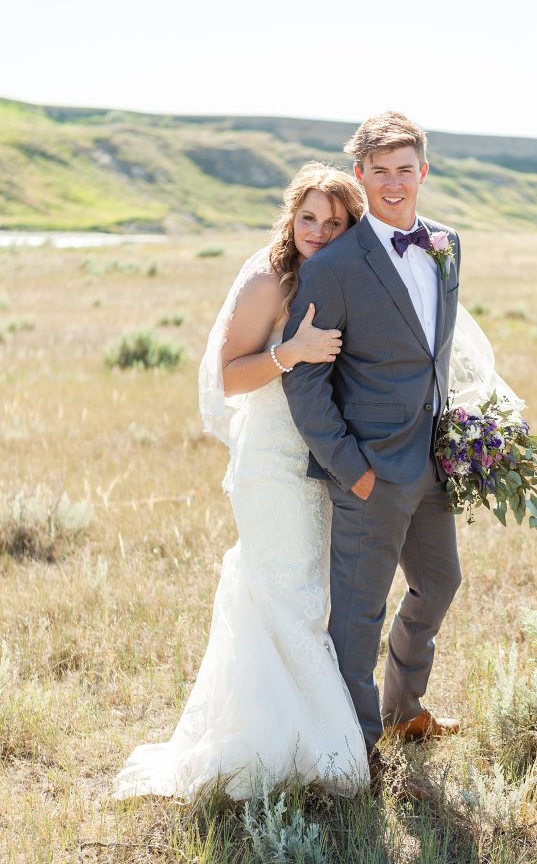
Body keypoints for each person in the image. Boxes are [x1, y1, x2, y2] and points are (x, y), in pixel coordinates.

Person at [112, 163, 371, 802]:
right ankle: (319, 755)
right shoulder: (269, 279)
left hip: (315, 462)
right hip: (269, 465)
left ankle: (288, 734)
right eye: (307, 217)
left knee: (300, 597)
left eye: (333, 222)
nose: (317, 230)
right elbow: (227, 377)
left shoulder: (333, 274)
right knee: (291, 600)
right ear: (291, 215)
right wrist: (293, 352)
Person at [282, 112, 469, 789]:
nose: (394, 183)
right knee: (356, 618)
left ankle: (403, 711)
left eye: (405, 168)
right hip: (366, 471)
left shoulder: (446, 244)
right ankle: (354, 751)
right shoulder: (333, 266)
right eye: (380, 171)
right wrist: (350, 468)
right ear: (361, 176)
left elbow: (434, 353)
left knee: (439, 583)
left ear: (424, 170)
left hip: (431, 461)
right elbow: (304, 383)